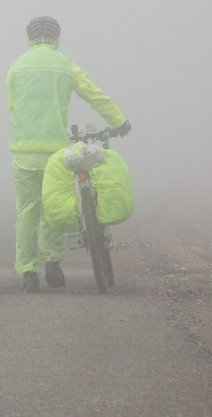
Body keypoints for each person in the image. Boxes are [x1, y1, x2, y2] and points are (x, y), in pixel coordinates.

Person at [7, 15, 131, 293]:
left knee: (26, 212)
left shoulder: (15, 67)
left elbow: (12, 106)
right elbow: (94, 95)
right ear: (56, 37)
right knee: (53, 206)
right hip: (54, 152)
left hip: (23, 152)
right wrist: (119, 121)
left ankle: (28, 272)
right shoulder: (65, 65)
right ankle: (53, 262)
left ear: (29, 37)